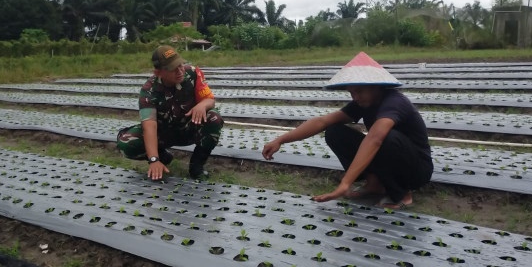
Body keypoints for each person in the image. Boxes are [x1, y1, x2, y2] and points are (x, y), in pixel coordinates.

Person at [262, 52, 433, 209]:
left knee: (386, 137)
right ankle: (375, 183)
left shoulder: (395, 102)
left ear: (377, 87)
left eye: (359, 91)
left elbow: (375, 139)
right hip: (391, 154)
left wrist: (345, 183)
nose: (355, 97)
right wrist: (280, 140)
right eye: (352, 93)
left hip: (417, 168)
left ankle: (403, 193)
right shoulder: (363, 103)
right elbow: (322, 121)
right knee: (334, 131)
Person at [117, 45, 224, 181]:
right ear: (158, 73)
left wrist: (202, 105)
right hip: (163, 134)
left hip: (189, 129)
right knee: (126, 143)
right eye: (173, 69)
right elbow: (149, 127)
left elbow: (210, 100)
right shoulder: (149, 91)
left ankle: (197, 165)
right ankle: (162, 157)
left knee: (214, 117)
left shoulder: (192, 74)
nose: (179, 71)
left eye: (180, 65)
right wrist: (153, 159)